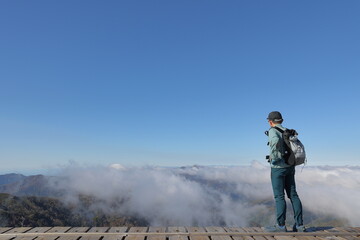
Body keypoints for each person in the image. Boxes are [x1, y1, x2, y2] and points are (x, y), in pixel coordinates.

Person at [264, 111, 306, 232]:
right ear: (281, 120)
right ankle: (299, 225)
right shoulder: (287, 131)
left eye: (268, 120)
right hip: (290, 167)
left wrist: (274, 158)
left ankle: (281, 226)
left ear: (270, 121)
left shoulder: (273, 131)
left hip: (278, 169)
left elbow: (275, 142)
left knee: (279, 197)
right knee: (293, 195)